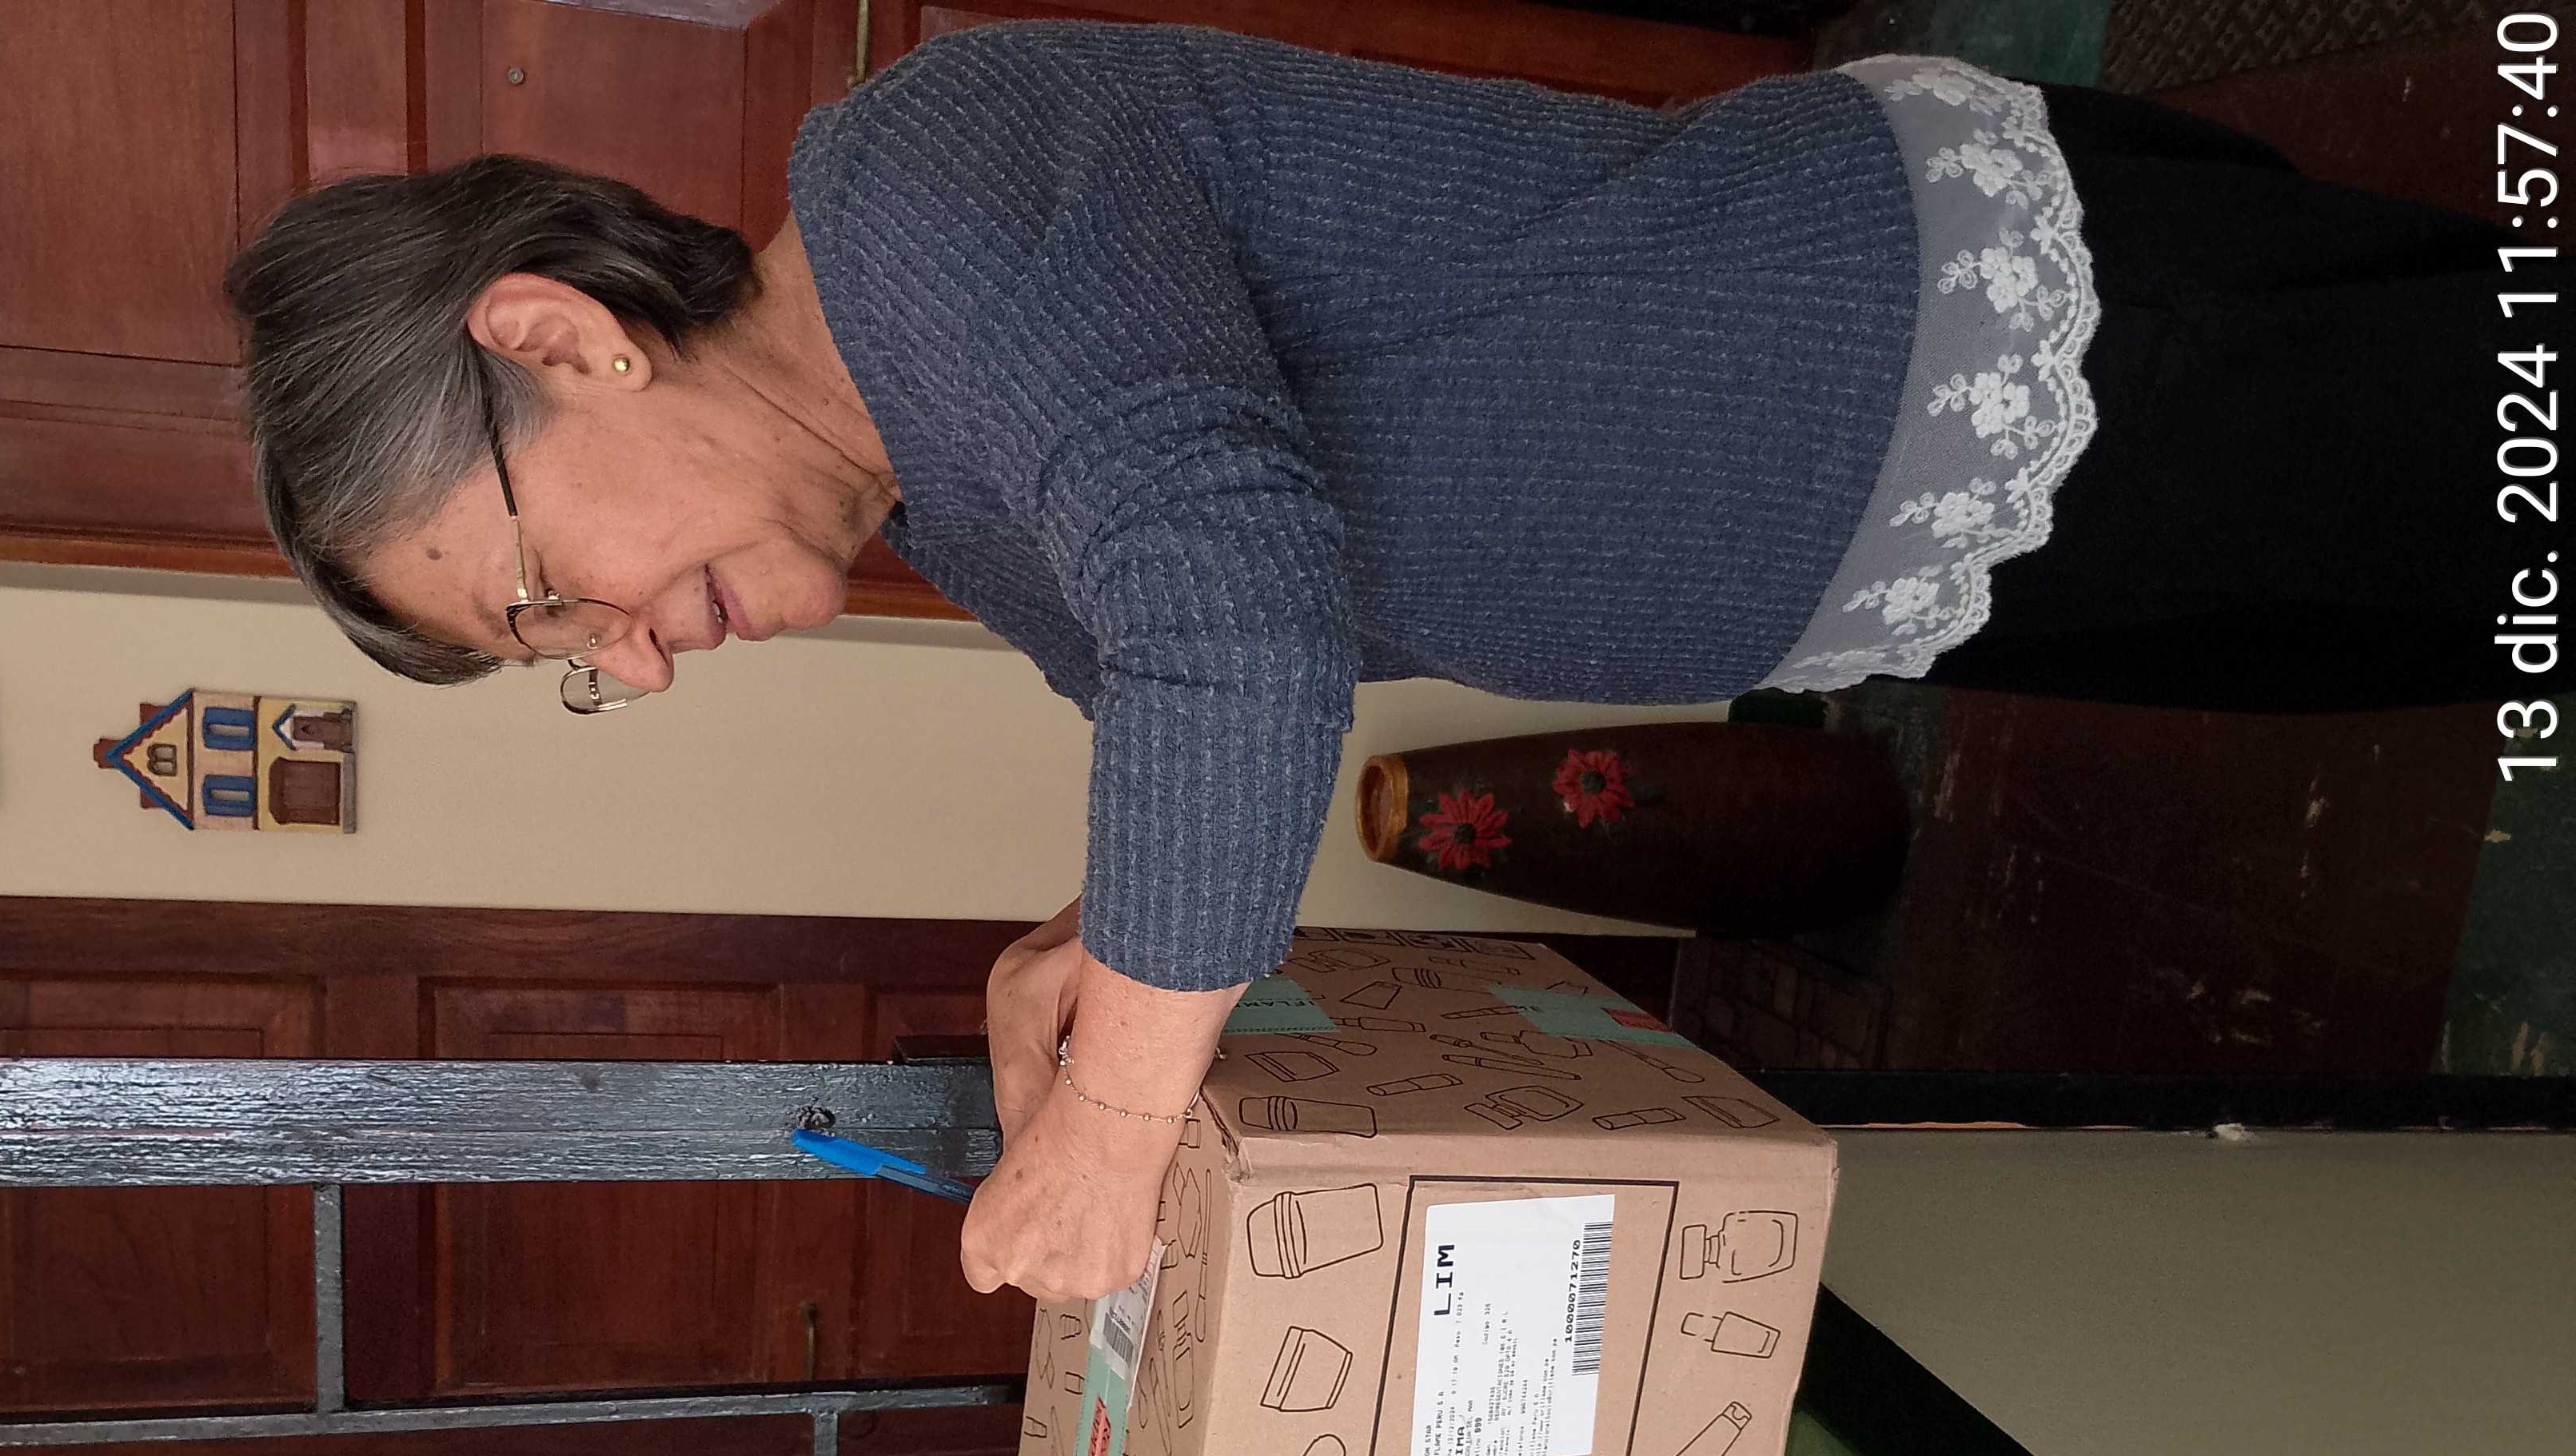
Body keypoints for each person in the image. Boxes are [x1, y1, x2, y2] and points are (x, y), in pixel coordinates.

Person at [223, 22, 2526, 1305]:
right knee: (2434, 614)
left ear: (563, 341)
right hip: (1931, 542)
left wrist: (1119, 1124)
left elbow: (1229, 598)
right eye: (556, 664)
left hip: (1985, 351)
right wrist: (1089, 938)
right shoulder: (939, 491)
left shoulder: (917, 183)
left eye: (544, 597)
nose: (620, 662)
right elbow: (1192, 661)